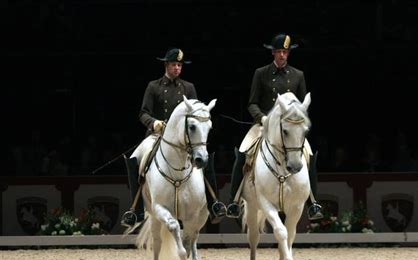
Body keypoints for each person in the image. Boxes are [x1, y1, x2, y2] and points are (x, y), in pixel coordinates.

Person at [121, 48, 226, 230]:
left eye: (179, 65)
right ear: (166, 65)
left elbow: (196, 113)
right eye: (174, 65)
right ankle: (135, 210)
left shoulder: (188, 87)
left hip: (182, 138)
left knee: (204, 158)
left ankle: (213, 203)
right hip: (157, 135)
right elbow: (143, 113)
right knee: (135, 159)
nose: (177, 68)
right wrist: (154, 124)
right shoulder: (154, 86)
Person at [226, 33, 322, 220]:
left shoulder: (298, 75)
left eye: (285, 52)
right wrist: (261, 118)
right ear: (273, 53)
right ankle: (234, 201)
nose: (282, 55)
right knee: (243, 152)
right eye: (278, 52)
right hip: (263, 126)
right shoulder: (261, 73)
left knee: (309, 156)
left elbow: (302, 106)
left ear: (288, 53)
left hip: (289, 130)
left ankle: (313, 203)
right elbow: (252, 103)